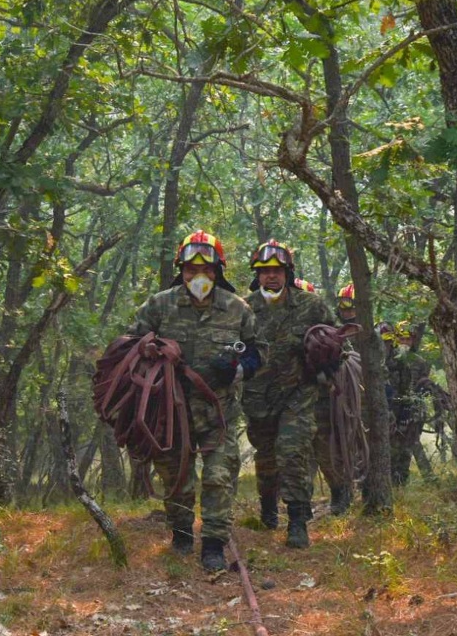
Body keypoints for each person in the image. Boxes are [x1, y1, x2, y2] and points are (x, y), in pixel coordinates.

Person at [126, 229, 264, 571]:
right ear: (181, 271)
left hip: (220, 412)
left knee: (219, 476)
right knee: (176, 478)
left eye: (206, 270)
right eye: (191, 270)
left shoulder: (238, 309)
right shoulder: (159, 305)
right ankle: (182, 535)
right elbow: (130, 345)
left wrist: (237, 370)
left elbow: (259, 351)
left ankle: (214, 544)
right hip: (170, 414)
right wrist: (150, 352)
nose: (198, 276)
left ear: (217, 271)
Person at [241, 239, 335, 548]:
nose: (271, 276)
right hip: (257, 399)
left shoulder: (312, 305)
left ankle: (297, 521)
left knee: (293, 451)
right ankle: (268, 508)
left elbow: (338, 341)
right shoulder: (242, 308)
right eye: (265, 271)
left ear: (288, 273)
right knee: (267, 457)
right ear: (257, 274)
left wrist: (327, 363)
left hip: (298, 396)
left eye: (277, 270)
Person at [311, 282, 360, 514]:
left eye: (350, 304)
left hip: (345, 402)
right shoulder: (323, 331)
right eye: (343, 304)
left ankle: (347, 492)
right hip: (310, 402)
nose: (346, 309)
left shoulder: (358, 334)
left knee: (342, 448)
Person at [384, 321, 433, 486]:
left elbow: (423, 386)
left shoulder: (420, 362)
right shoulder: (388, 360)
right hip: (391, 410)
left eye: (408, 339)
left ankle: (401, 483)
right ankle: (390, 482)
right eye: (401, 339)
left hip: (412, 412)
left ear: (413, 341)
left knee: (407, 448)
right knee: (390, 448)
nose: (404, 342)